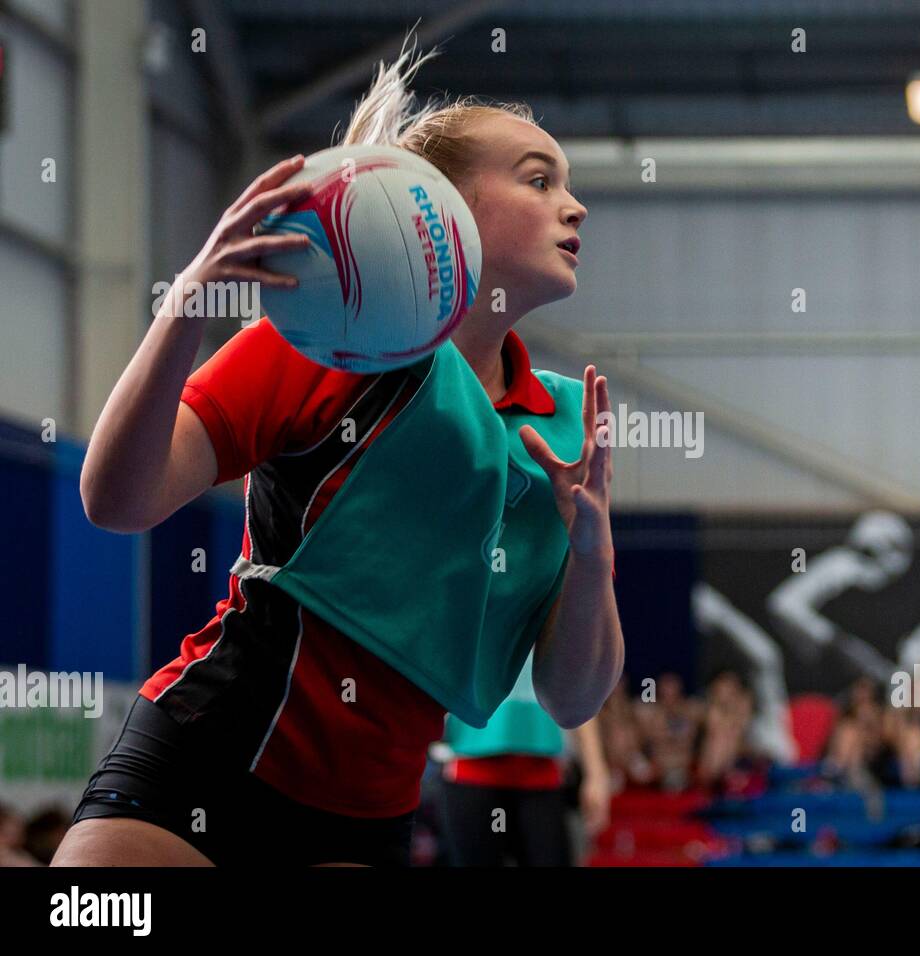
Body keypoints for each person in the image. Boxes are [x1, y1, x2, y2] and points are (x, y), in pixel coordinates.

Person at [53, 39, 623, 867]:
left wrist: (593, 551)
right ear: (445, 205)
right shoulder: (328, 349)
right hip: (202, 757)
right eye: (539, 180)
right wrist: (187, 302)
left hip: (365, 823)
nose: (575, 207)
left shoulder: (570, 426)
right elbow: (116, 501)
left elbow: (572, 698)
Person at [436, 648, 610, 866]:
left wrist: (596, 772)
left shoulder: (555, 613)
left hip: (541, 773)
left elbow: (578, 687)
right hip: (469, 770)